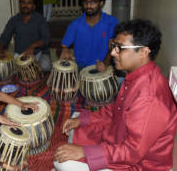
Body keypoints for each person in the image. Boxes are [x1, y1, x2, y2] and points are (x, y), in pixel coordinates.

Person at [52, 19, 177, 171]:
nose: (112, 53)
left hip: (139, 164)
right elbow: (116, 109)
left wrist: (83, 151)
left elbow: (132, 152)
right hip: (117, 138)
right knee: (77, 125)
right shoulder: (136, 76)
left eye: (120, 48)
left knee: (62, 163)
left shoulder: (149, 96)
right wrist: (83, 119)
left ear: (144, 52)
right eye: (113, 46)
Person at [60, 0, 118, 72]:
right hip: (81, 68)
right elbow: (63, 46)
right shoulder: (75, 24)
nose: (88, 5)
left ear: (101, 3)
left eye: (93, 2)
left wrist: (105, 64)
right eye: (85, 2)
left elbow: (114, 47)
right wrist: (64, 49)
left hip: (105, 64)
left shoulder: (111, 22)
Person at [0, 0, 52, 72]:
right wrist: (0, 50)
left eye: (29, 3)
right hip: (20, 54)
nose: (25, 5)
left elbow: (46, 38)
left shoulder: (40, 20)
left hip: (39, 53)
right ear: (19, 5)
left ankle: (31, 68)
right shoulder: (14, 20)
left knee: (45, 66)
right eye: (23, 2)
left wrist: (32, 46)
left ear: (34, 6)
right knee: (4, 66)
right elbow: (4, 37)